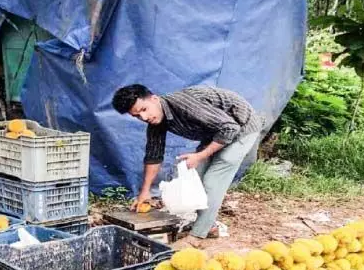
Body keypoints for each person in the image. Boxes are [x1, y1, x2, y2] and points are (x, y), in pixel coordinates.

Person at [112, 84, 263, 240]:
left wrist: (200, 155)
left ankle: (197, 236)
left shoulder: (184, 104)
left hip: (242, 127)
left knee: (213, 180)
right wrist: (145, 191)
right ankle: (209, 226)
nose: (144, 118)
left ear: (154, 99)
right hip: (216, 132)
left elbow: (230, 128)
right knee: (196, 178)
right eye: (136, 116)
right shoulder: (155, 121)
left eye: (144, 109)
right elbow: (153, 155)